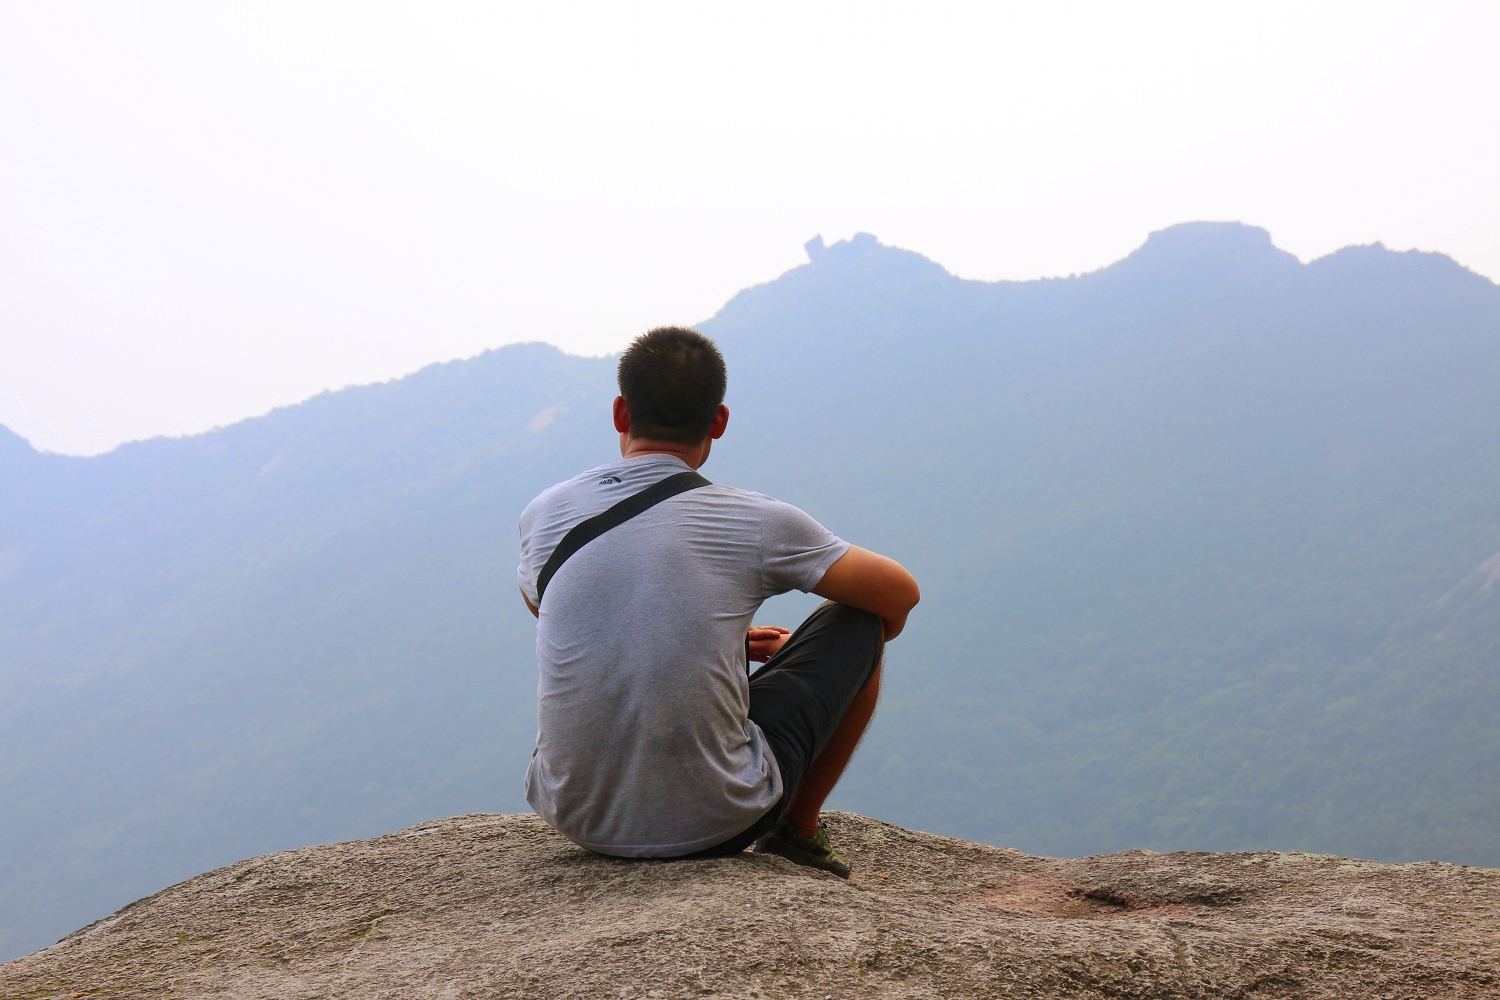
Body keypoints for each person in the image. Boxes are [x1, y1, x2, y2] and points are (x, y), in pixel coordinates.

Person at [517, 326, 919, 876]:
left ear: (620, 413)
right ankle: (796, 829)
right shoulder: (757, 521)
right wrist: (817, 658)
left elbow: (553, 609)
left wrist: (715, 640)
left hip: (573, 812)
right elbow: (899, 595)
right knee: (860, 620)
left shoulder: (545, 513)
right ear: (720, 421)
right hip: (717, 820)